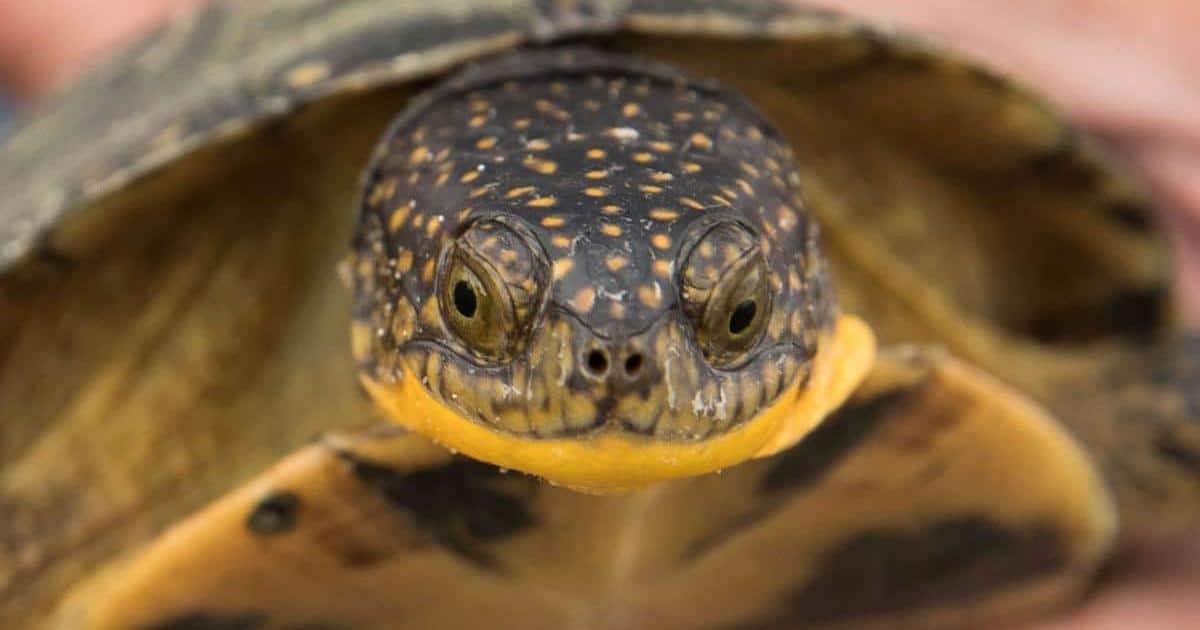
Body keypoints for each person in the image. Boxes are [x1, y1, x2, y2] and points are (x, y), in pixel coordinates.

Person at [0, 1, 1196, 627]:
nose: (617, 363)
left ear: (801, 269)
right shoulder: (168, 294)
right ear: (383, 272)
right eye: (476, 305)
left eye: (726, 318)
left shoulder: (896, 189)